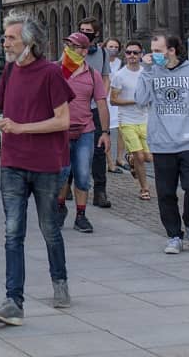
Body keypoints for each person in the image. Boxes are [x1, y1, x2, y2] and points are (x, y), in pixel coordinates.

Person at [0, 14, 73, 326]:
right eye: (5, 38)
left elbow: (64, 120)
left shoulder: (50, 73)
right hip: (12, 163)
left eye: (10, 38)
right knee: (12, 232)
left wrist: (21, 128)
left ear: (30, 43)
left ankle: (60, 282)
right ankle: (13, 302)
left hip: (45, 164)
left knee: (50, 229)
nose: (4, 43)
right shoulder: (9, 70)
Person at [135, 33, 189, 255]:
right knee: (165, 193)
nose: (153, 55)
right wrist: (146, 72)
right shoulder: (151, 72)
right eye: (152, 50)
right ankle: (174, 235)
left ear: (171, 51)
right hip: (162, 144)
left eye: (158, 51)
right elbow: (140, 101)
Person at [55, 31, 110, 234]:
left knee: (83, 175)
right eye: (67, 45)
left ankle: (80, 215)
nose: (69, 49)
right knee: (62, 173)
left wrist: (105, 132)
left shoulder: (93, 74)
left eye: (74, 46)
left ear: (85, 51)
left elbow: (102, 104)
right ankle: (60, 206)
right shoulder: (55, 70)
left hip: (85, 130)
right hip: (60, 131)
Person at [77, 18, 112, 209]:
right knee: (73, 149)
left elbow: (106, 78)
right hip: (76, 108)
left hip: (95, 108)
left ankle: (100, 192)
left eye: (88, 30)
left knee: (98, 151)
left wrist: (101, 97)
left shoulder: (103, 53)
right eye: (81, 30)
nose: (84, 33)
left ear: (96, 34)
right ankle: (67, 188)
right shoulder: (71, 52)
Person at [110, 41, 151, 200]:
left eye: (135, 53)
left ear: (141, 55)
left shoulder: (146, 73)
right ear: (125, 55)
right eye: (129, 52)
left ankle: (131, 158)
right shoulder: (120, 75)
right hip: (127, 120)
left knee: (148, 157)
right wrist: (135, 101)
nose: (132, 56)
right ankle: (144, 188)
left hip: (145, 119)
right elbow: (113, 100)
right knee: (141, 157)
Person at [103, 37, 125, 172]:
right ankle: (110, 162)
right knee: (107, 131)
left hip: (118, 99)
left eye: (116, 47)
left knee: (122, 129)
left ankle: (120, 158)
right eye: (110, 46)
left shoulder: (121, 63)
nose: (113, 49)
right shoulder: (101, 62)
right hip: (105, 100)